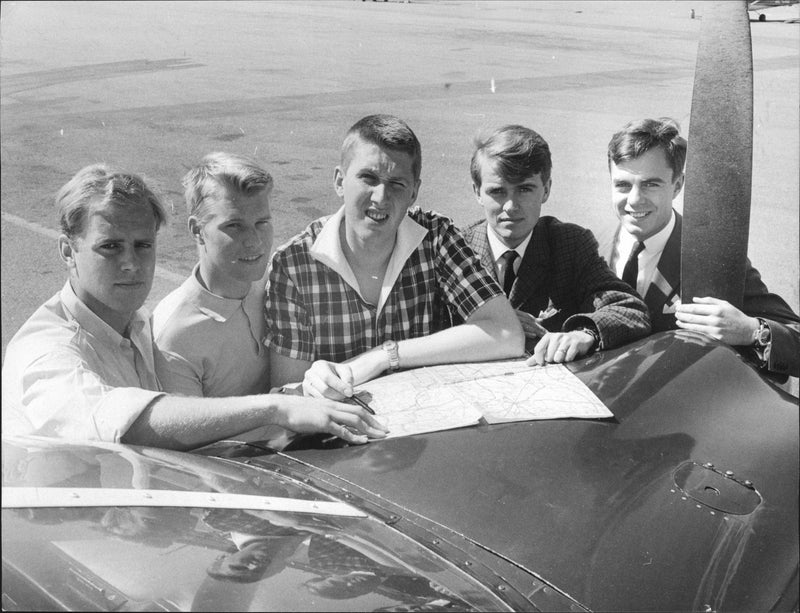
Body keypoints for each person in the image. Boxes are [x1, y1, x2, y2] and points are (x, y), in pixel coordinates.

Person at [1, 164, 387, 450]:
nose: (132, 264)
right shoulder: (44, 350)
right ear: (68, 251)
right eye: (110, 247)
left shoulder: (132, 324)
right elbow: (120, 422)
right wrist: (277, 408)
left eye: (143, 245)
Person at [265, 114, 524, 399]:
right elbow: (289, 391)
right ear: (340, 181)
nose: (380, 197)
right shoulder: (294, 263)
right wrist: (316, 386)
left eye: (397, 184)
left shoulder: (434, 236)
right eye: (368, 178)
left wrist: (383, 356)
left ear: (414, 192)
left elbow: (506, 332)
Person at [607, 117, 800, 378]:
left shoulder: (714, 256)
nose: (634, 200)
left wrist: (750, 330)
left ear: (677, 185)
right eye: (623, 185)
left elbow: (794, 337)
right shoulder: (592, 245)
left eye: (651, 184)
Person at [462, 124, 651, 366]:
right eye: (498, 191)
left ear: (546, 190)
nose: (511, 206)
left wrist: (584, 334)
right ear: (477, 191)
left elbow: (630, 309)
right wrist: (491, 325)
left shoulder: (568, 245)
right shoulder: (457, 250)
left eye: (525, 189)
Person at [153, 152, 273, 397]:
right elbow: (190, 430)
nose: (254, 241)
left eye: (262, 223)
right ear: (197, 230)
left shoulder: (275, 282)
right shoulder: (174, 335)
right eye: (234, 226)